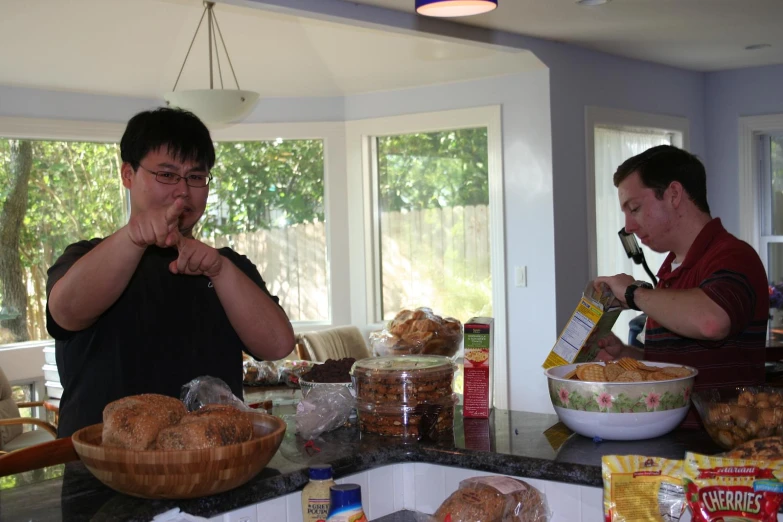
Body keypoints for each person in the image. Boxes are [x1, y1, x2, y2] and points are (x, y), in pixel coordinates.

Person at [46, 108, 295, 437]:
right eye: (166, 174)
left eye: (195, 177)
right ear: (128, 174)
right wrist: (135, 236)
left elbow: (277, 346)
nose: (183, 191)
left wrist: (220, 270)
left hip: (213, 466)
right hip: (103, 472)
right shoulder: (86, 256)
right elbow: (65, 313)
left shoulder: (227, 267)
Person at [594, 145, 769, 396]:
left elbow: (711, 322)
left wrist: (634, 293)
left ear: (674, 194)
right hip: (672, 432)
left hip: (714, 434)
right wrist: (627, 355)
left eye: (634, 209)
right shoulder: (669, 272)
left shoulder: (734, 256)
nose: (629, 226)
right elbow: (679, 368)